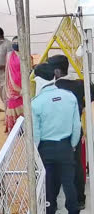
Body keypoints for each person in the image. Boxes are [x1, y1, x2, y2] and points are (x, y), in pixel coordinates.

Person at [32, 68, 81, 214]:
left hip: (45, 149)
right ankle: (73, 210)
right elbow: (76, 125)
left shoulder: (36, 103)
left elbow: (36, 133)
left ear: (38, 81)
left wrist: (35, 153)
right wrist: (72, 145)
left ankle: (50, 210)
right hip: (66, 146)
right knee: (69, 184)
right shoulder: (70, 97)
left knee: (49, 186)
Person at [48, 54, 94, 210]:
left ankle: (51, 202)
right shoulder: (80, 84)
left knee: (53, 167)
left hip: (55, 132)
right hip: (76, 129)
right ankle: (79, 199)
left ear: (56, 71)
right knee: (76, 166)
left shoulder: (51, 88)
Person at [4, 36, 23, 132]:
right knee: (12, 103)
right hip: (12, 85)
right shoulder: (9, 55)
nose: (15, 44)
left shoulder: (25, 56)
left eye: (18, 42)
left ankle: (23, 127)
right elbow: (7, 70)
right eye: (14, 42)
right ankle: (14, 128)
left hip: (22, 84)